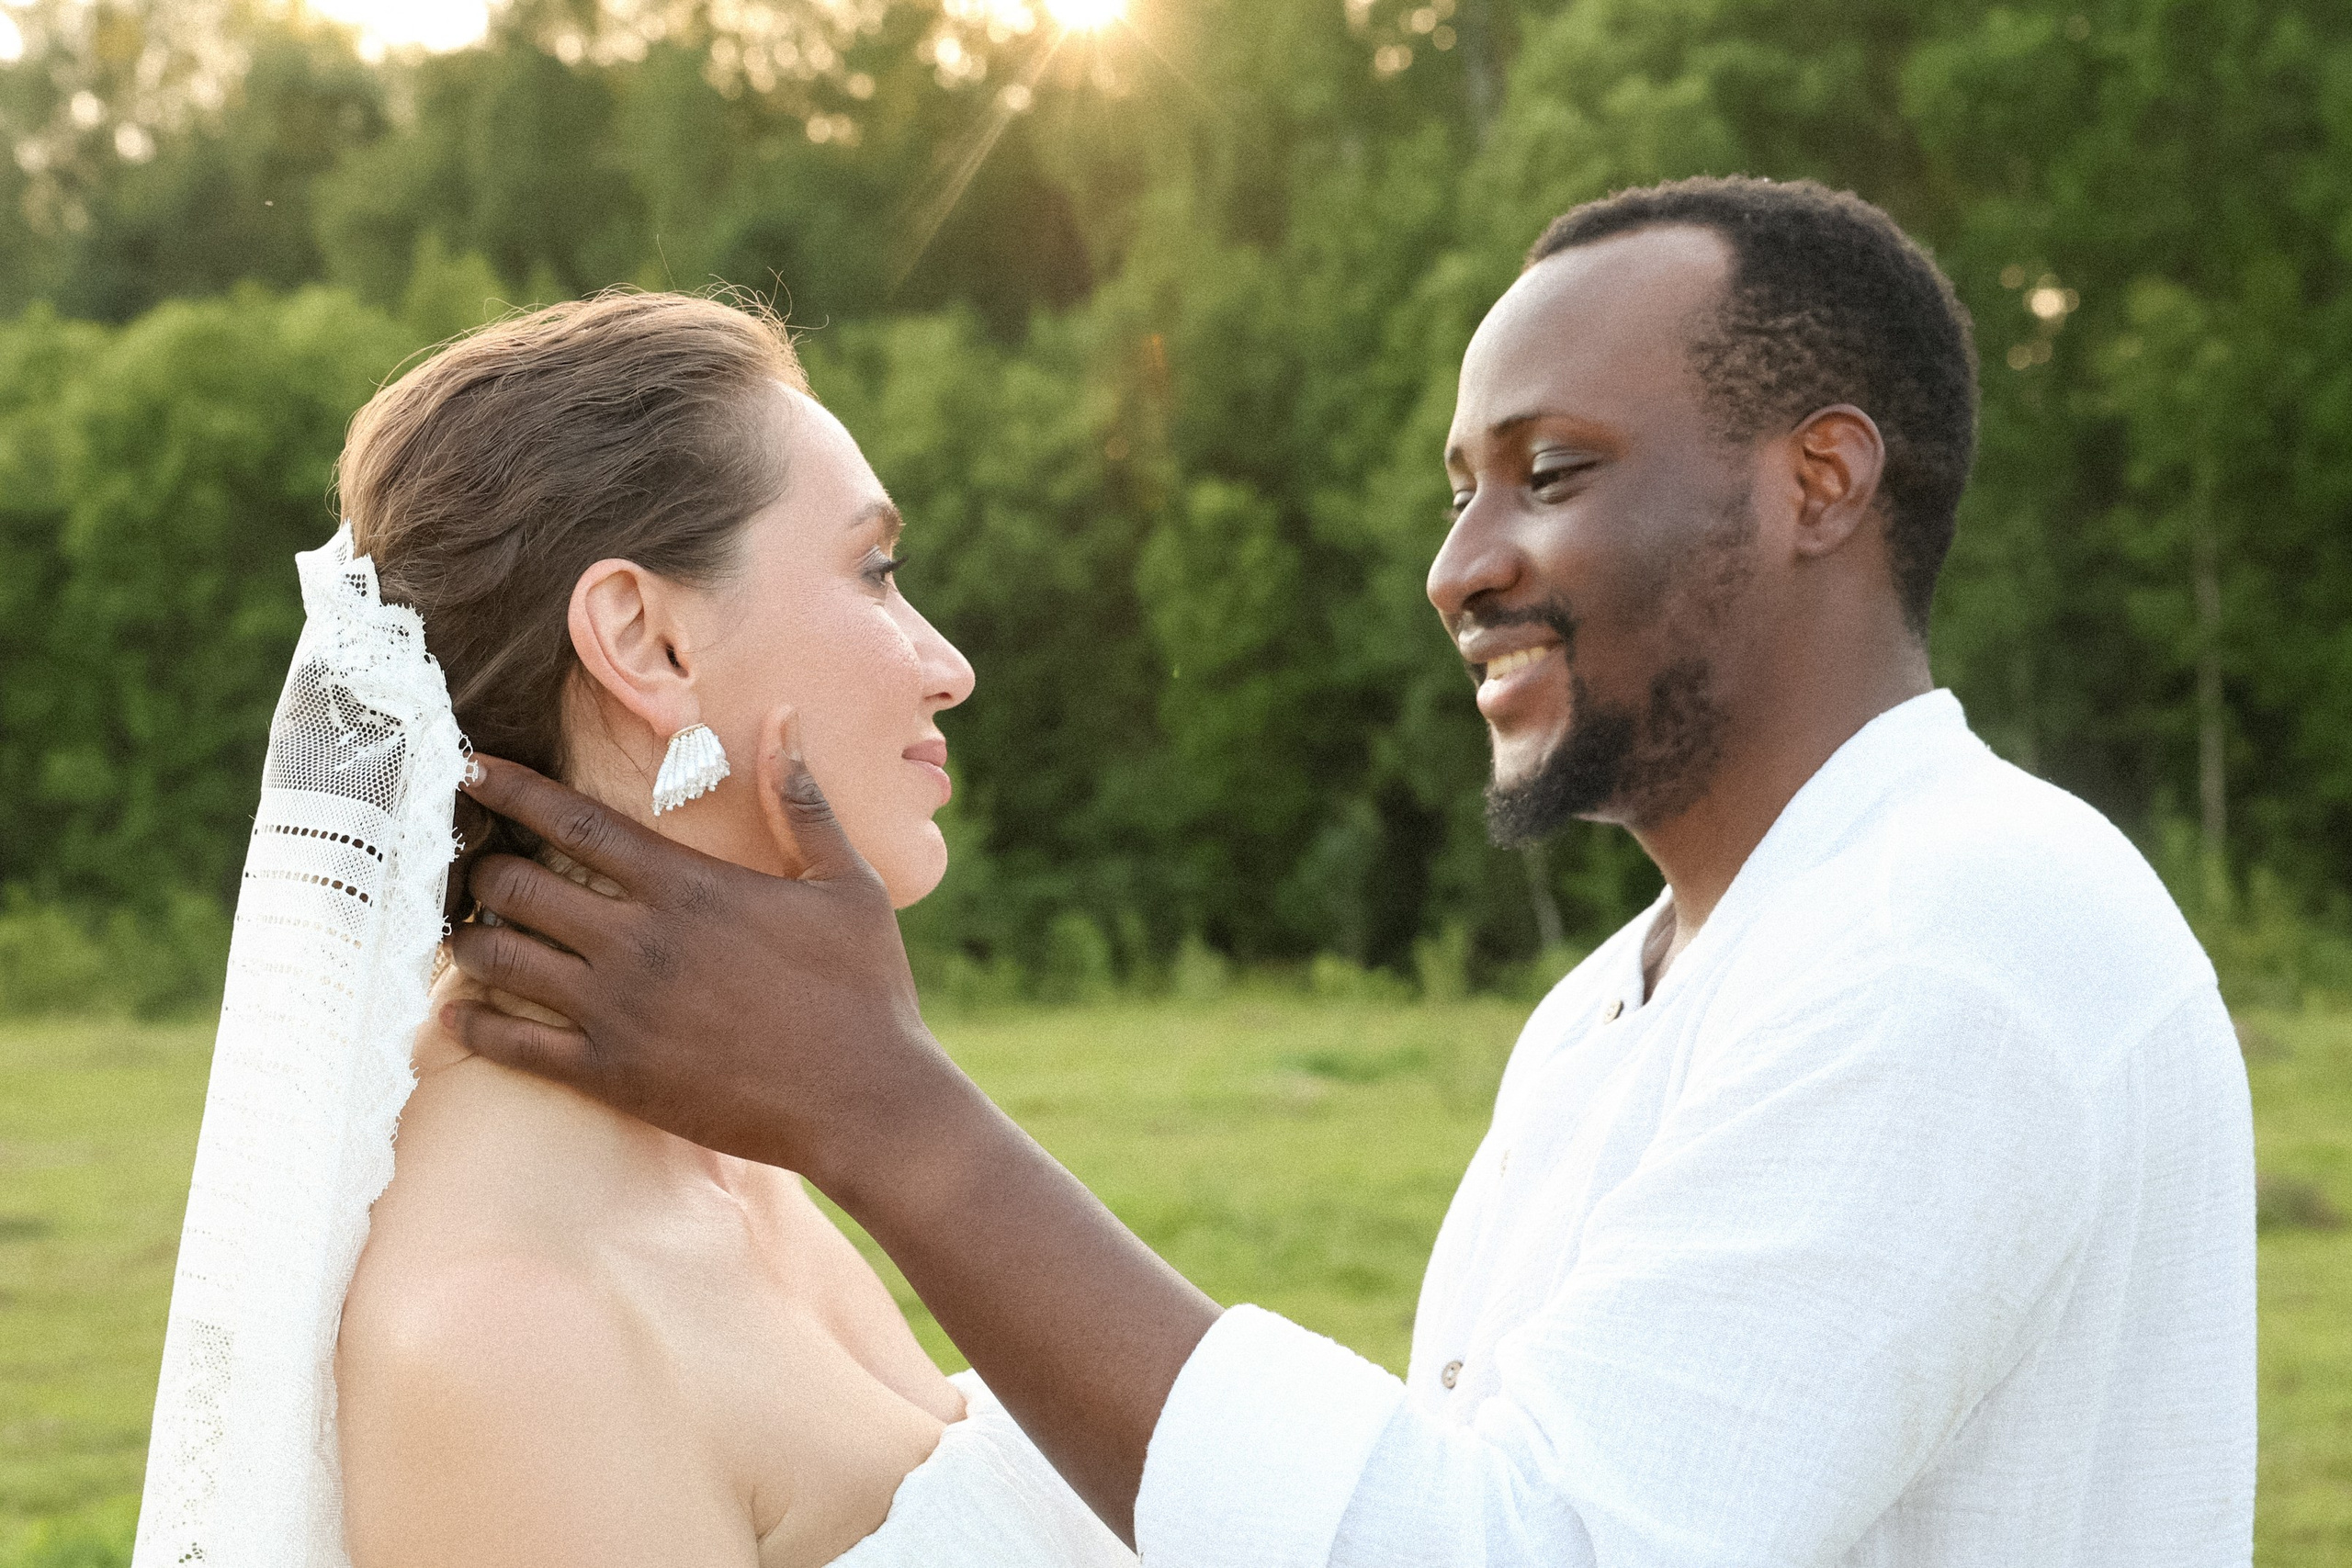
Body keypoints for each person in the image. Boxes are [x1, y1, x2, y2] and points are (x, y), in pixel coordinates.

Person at [444, 178, 2257, 1566]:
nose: (1457, 566)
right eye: (1453, 492)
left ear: (1817, 482)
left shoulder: (1953, 937)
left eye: (1548, 470)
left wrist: (887, 1110)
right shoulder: (1598, 1016)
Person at [133, 292, 1136, 1568]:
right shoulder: (505, 1331)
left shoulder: (726, 1154)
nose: (947, 666)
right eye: (875, 571)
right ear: (643, 639)